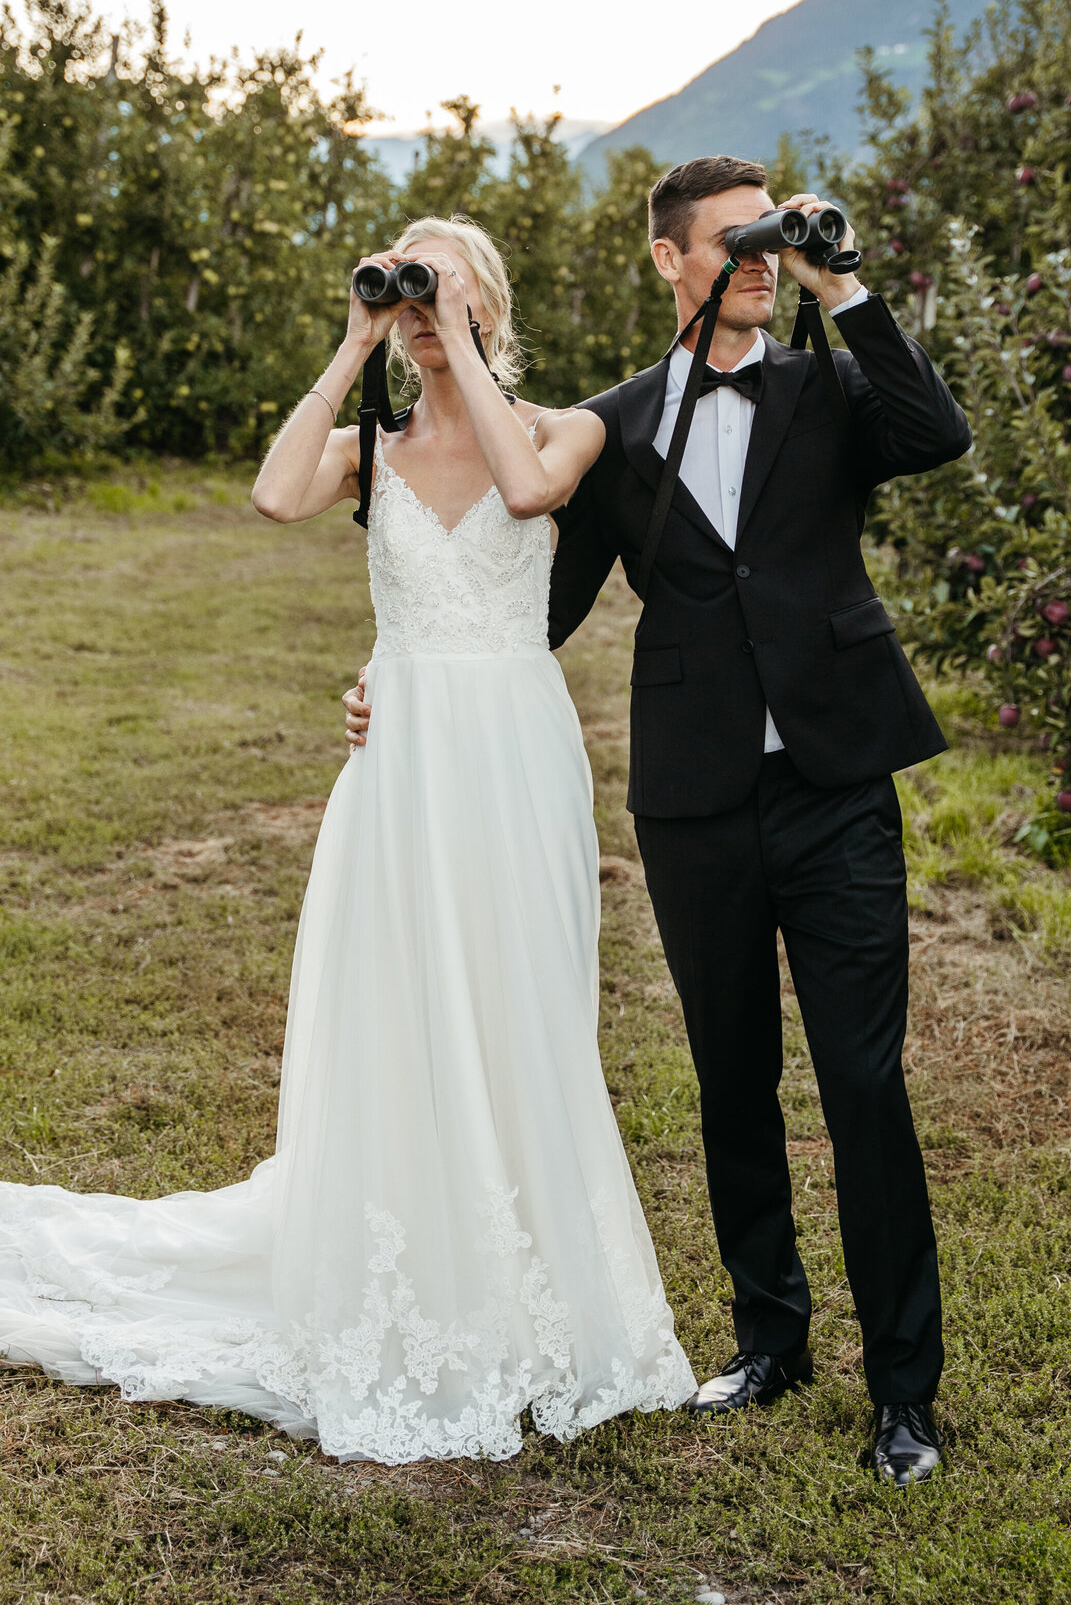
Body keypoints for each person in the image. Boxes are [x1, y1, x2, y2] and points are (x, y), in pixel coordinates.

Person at [0, 215, 696, 1465]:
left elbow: (532, 495)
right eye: (403, 278)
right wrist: (357, 338)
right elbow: (273, 495)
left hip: (516, 760)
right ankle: (419, 1262)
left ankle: (534, 1282)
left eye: (442, 279)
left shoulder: (558, 429)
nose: (420, 299)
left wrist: (457, 342)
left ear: (489, 295)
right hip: (401, 768)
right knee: (406, 1009)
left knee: (520, 1005)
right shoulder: (367, 450)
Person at [346, 159, 972, 1486]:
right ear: (670, 261)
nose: (758, 260)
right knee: (731, 1075)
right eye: (735, 243)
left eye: (771, 239)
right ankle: (768, 1339)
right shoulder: (619, 427)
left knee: (862, 1083)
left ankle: (903, 1394)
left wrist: (837, 278)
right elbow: (537, 597)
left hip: (837, 786)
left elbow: (937, 433)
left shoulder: (828, 384)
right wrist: (395, 672)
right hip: (694, 800)